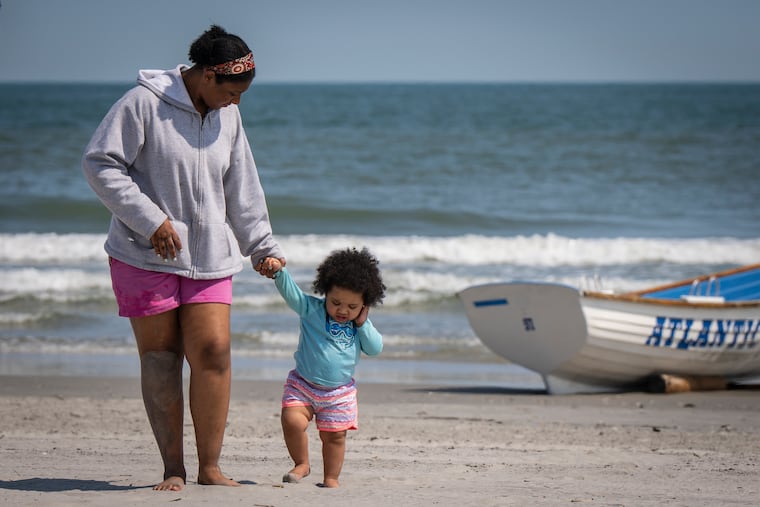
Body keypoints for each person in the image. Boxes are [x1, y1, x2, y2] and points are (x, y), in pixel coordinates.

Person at [82, 25, 285, 491]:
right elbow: (99, 162)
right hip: (143, 255)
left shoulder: (228, 117)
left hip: (211, 254)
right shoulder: (142, 104)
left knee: (213, 353)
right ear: (207, 76)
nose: (236, 103)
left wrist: (261, 246)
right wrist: (150, 220)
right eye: (231, 92)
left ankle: (210, 468)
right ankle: (173, 467)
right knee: (160, 358)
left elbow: (242, 185)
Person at [257, 248, 386, 488]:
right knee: (292, 421)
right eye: (336, 302)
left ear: (364, 305)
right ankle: (302, 463)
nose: (343, 310)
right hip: (303, 385)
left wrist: (363, 323)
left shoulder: (359, 325)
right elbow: (292, 295)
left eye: (352, 306)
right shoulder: (312, 310)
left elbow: (375, 348)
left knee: (335, 438)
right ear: (325, 292)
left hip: (338, 394)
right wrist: (279, 273)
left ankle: (331, 478)